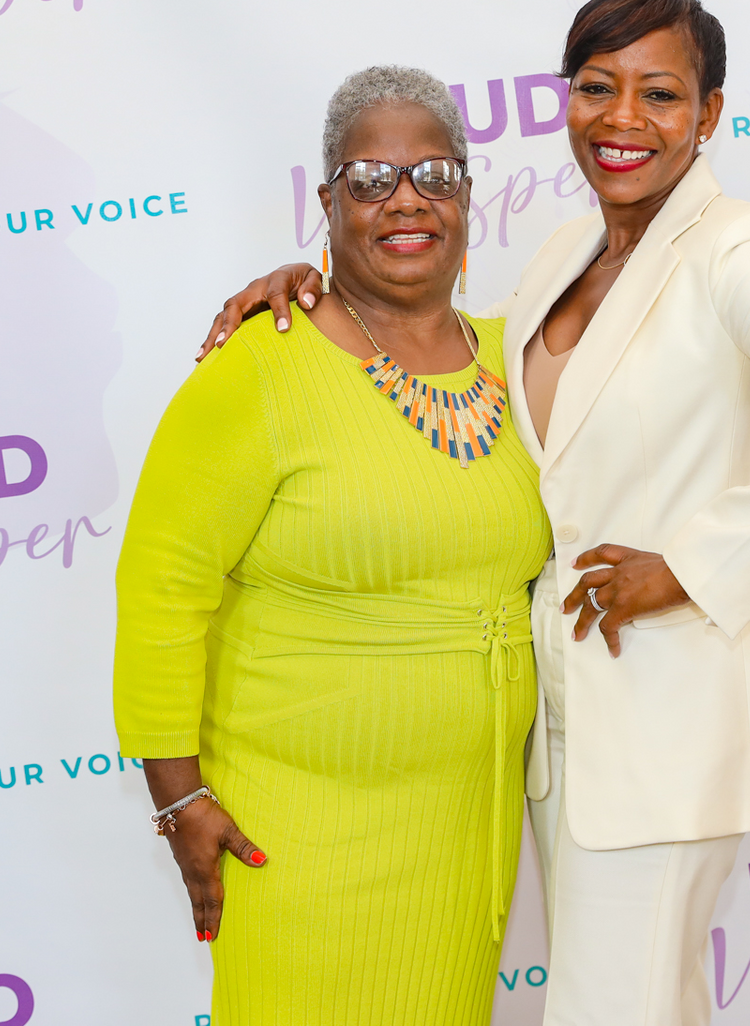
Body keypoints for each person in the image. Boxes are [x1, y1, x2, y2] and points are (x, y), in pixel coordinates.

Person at [201, 0, 750, 1025]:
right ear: (566, 99)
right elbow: (455, 363)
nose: (624, 118)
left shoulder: (736, 246)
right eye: (596, 86)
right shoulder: (565, 256)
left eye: (660, 93)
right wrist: (319, 286)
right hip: (566, 724)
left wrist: (698, 564)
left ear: (709, 113)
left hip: (666, 718)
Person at [114, 65, 553, 1025]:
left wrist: (731, 556)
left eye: (434, 175)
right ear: (327, 204)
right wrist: (179, 800)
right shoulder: (261, 368)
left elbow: (658, 435)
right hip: (296, 829)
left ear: (467, 196)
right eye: (370, 179)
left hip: (463, 827)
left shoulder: (519, 361)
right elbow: (161, 586)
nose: (406, 199)